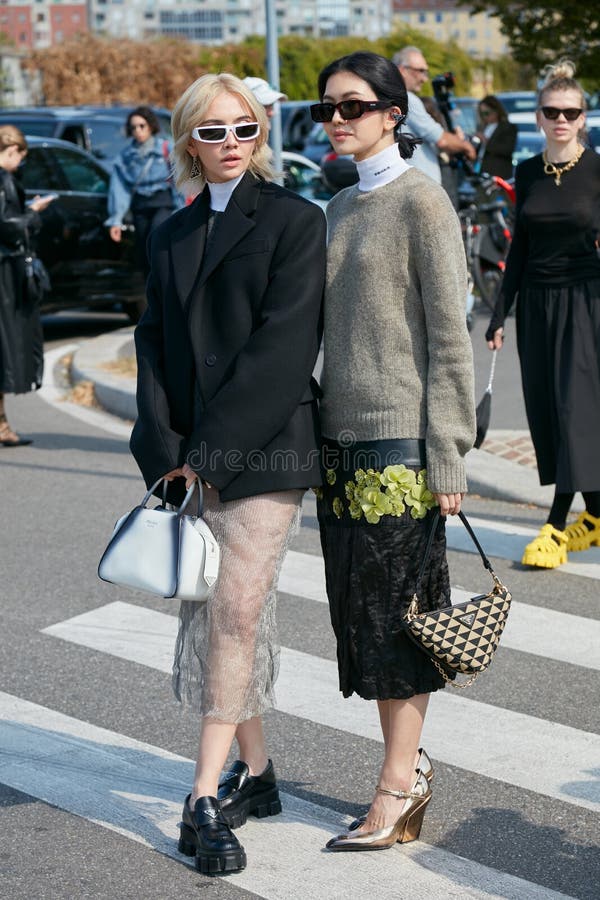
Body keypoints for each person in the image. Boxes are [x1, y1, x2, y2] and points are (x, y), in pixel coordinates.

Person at [130, 73, 326, 874]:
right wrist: (167, 453)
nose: (231, 145)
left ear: (261, 134)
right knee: (214, 614)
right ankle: (263, 772)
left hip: (266, 451)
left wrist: (208, 457)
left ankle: (203, 795)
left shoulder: (294, 221)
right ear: (188, 141)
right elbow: (152, 346)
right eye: (212, 132)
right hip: (188, 460)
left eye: (243, 129)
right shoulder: (169, 234)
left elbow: (282, 354)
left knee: (236, 614)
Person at [310, 51, 475, 851]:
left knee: (398, 623)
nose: (337, 120)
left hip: (401, 448)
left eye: (352, 106)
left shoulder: (422, 203)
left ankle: (398, 785)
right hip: (340, 450)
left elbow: (451, 339)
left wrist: (449, 454)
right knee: (361, 621)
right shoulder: (339, 207)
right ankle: (404, 769)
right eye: (328, 108)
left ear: (392, 113)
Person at [486, 60, 600, 568]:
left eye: (570, 112)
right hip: (536, 303)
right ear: (538, 117)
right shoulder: (528, 172)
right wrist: (498, 313)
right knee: (549, 410)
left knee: (577, 407)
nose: (560, 119)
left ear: (583, 117)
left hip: (585, 300)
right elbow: (520, 249)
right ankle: (595, 517)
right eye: (551, 111)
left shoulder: (597, 170)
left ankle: (555, 523)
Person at [0, 125, 55, 446]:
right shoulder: (4, 180)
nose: (20, 161)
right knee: (7, 346)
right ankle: (3, 425)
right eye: (18, 154)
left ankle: (3, 424)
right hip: (6, 273)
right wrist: (33, 214)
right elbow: (7, 226)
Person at [106, 106, 179, 280]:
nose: (138, 131)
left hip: (163, 202)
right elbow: (119, 188)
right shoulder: (126, 156)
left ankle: (167, 280)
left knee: (158, 237)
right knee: (144, 248)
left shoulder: (166, 148)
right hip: (140, 205)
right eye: (133, 127)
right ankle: (152, 290)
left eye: (142, 126)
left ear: (151, 126)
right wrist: (115, 220)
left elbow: (179, 181)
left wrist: (181, 209)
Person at [392, 45, 476, 184]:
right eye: (420, 71)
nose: (424, 79)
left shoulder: (392, 97)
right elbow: (440, 139)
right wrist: (467, 146)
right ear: (402, 70)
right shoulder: (407, 99)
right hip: (419, 187)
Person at [476, 95, 517, 180]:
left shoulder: (508, 127)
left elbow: (507, 150)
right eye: (481, 114)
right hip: (481, 174)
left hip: (498, 175)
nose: (484, 117)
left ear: (496, 111)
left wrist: (486, 141)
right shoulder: (482, 127)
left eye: (486, 113)